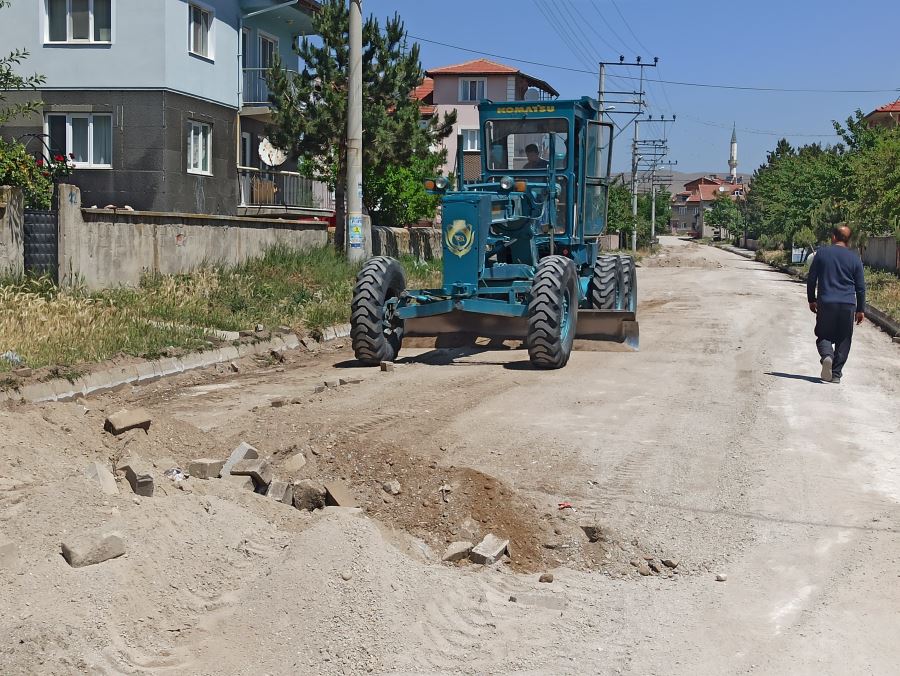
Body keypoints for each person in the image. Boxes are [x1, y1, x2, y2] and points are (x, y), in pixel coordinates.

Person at [806, 225, 866, 384]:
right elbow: (860, 287)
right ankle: (836, 374)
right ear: (849, 240)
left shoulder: (822, 253)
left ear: (833, 237)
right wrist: (861, 310)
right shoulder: (855, 258)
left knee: (823, 334)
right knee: (844, 338)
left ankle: (827, 356)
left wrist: (811, 299)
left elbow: (812, 279)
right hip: (848, 304)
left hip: (826, 302)